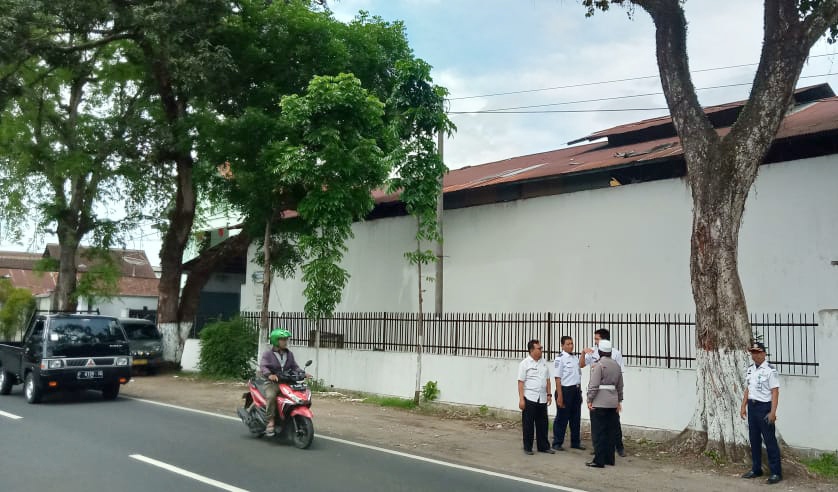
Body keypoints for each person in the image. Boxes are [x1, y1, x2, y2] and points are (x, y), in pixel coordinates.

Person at [740, 341, 782, 484]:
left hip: (765, 408)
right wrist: (743, 406)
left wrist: (773, 412)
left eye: (757, 352)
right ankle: (756, 469)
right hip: (752, 408)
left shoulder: (770, 370)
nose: (755, 355)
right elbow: (748, 388)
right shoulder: (750, 369)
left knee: (770, 441)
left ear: (764, 353)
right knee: (754, 440)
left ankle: (776, 472)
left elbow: (775, 392)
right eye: (753, 352)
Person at [581, 328, 626, 456]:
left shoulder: (616, 354)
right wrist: (583, 353)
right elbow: (582, 365)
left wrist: (619, 400)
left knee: (613, 423)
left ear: (604, 340)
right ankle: (599, 449)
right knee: (597, 426)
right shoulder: (592, 351)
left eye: (597, 339)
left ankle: (619, 447)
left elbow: (619, 377)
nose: (595, 341)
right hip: (597, 394)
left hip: (609, 395)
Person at [259, 328, 305, 437]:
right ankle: (270, 421)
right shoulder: (268, 354)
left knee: (297, 396)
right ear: (275, 341)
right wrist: (270, 375)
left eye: (286, 339)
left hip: (286, 382)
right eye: (282, 340)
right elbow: (263, 366)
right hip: (272, 383)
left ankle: (288, 417)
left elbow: (294, 366)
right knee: (271, 396)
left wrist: (303, 373)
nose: (285, 342)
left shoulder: (289, 354)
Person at [517, 339, 555, 455]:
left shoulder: (543, 363)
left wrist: (549, 394)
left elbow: (548, 380)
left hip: (542, 398)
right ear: (532, 350)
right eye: (539, 348)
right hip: (530, 397)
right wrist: (521, 399)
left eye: (541, 348)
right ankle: (528, 447)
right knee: (528, 424)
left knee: (543, 423)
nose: (541, 350)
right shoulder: (525, 364)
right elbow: (520, 382)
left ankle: (543, 446)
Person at [552, 336, 584, 451]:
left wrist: (579, 393)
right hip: (565, 391)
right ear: (562, 346)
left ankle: (575, 442)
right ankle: (557, 442)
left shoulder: (575, 358)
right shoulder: (560, 359)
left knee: (576, 418)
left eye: (572, 343)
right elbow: (558, 378)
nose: (571, 346)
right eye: (568, 344)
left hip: (575, 390)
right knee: (562, 418)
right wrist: (560, 396)